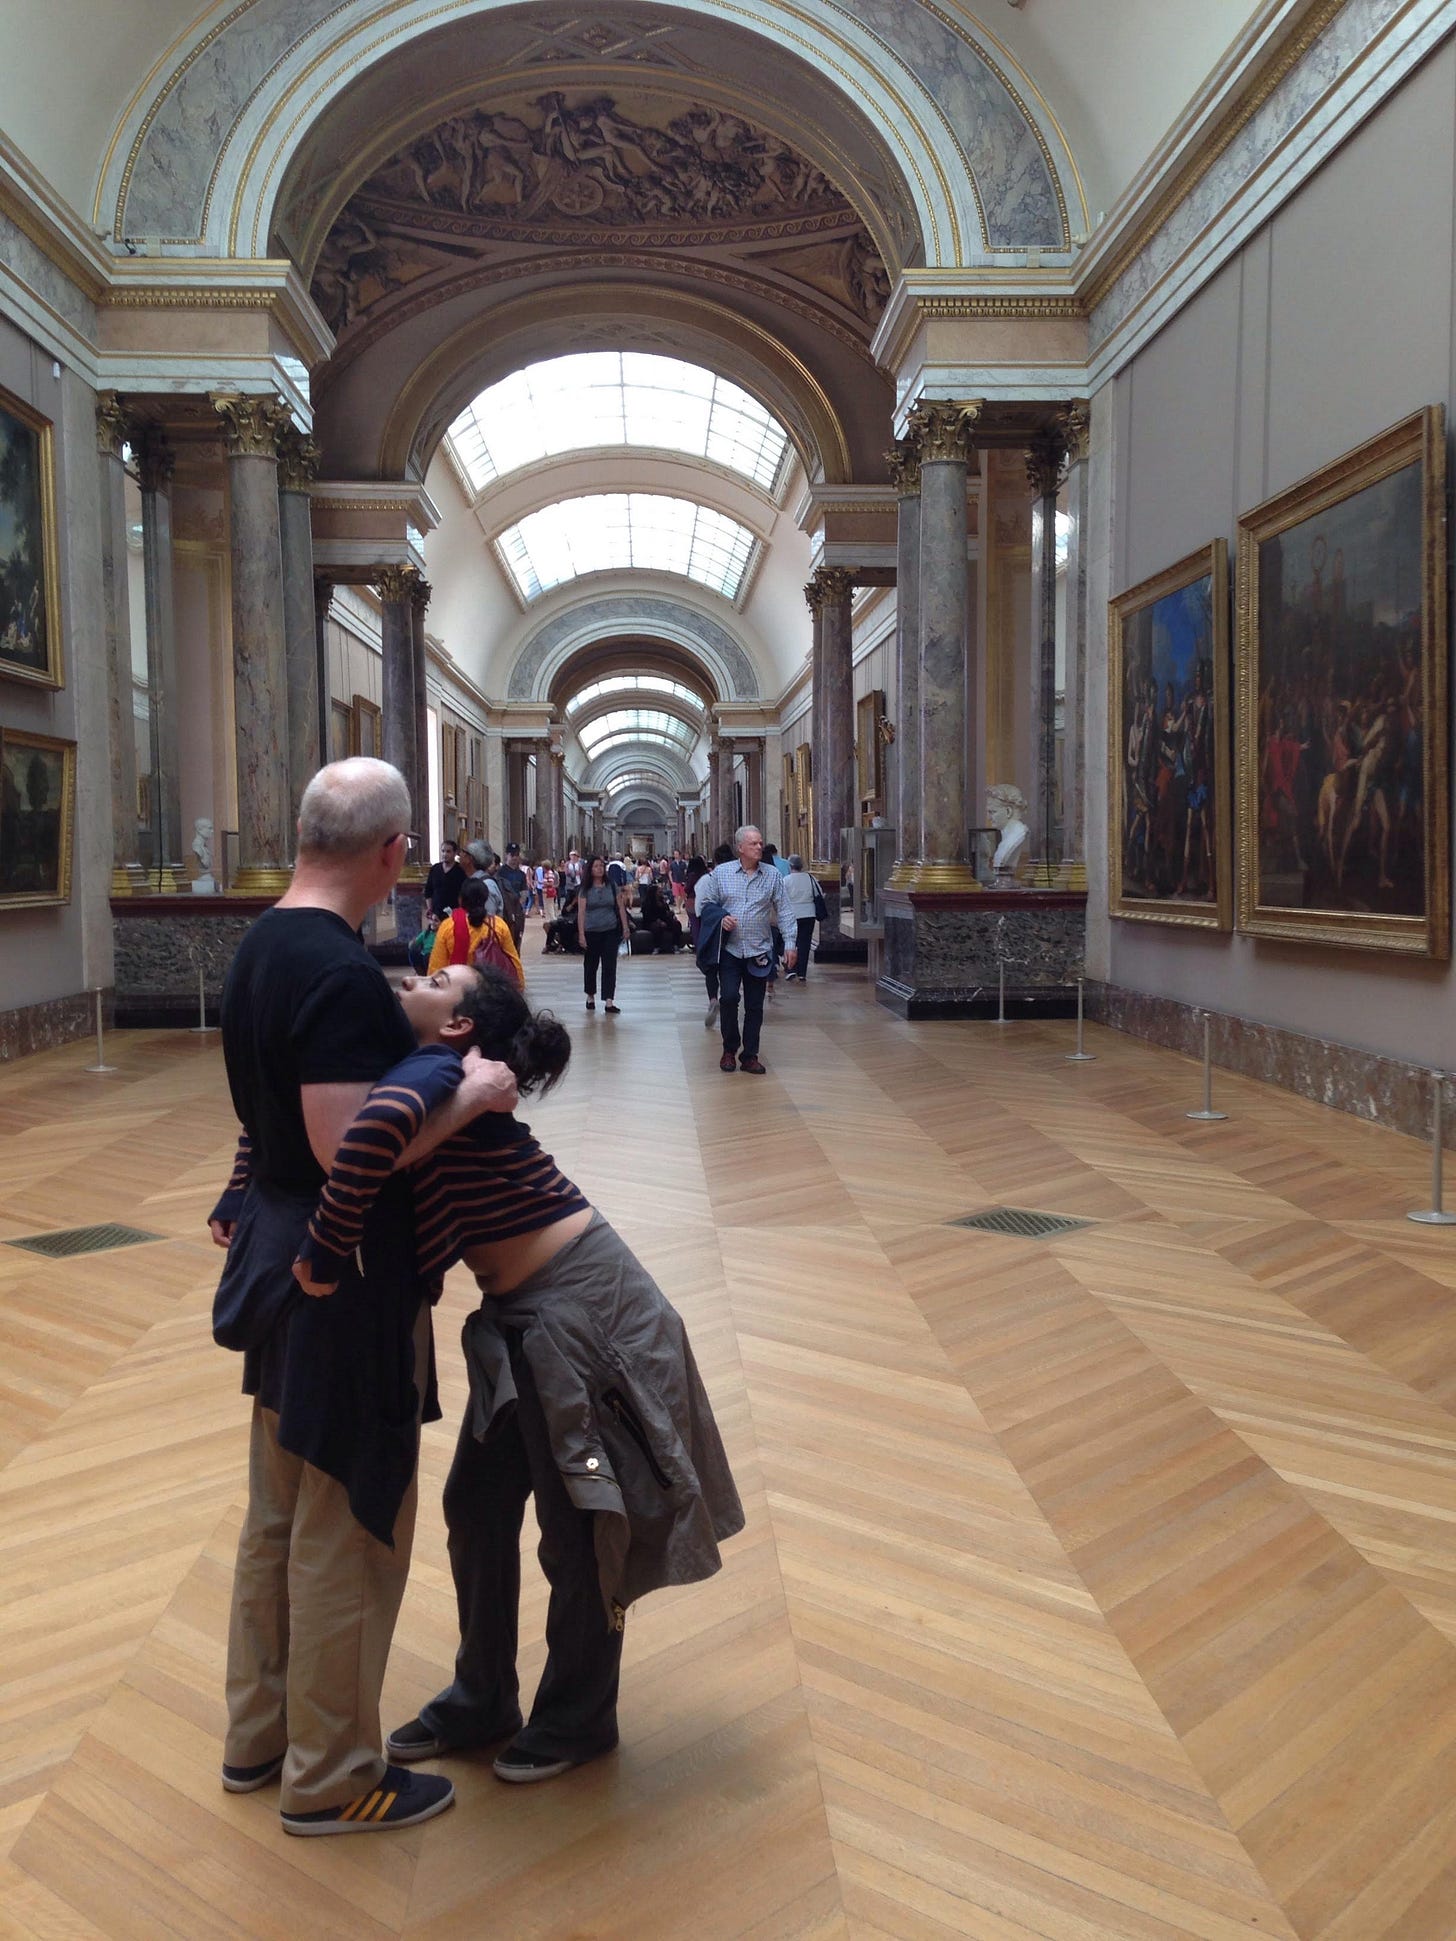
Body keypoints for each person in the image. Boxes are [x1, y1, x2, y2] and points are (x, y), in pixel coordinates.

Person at [292, 964, 744, 1786]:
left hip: (583, 1310)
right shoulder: (441, 1080)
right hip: (524, 1318)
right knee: (478, 1500)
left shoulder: (448, 1079)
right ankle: (483, 1694)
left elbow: (379, 1168)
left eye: (432, 977)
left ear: (458, 1026)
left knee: (580, 1526)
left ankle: (578, 1717)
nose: (408, 975)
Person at [206, 756, 518, 1836]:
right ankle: (334, 1775)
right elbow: (357, 1155)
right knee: (349, 1522)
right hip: (339, 1284)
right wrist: (471, 1098)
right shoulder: (336, 972)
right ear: (392, 854)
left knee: (279, 1514)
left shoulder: (261, 943)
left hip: (278, 1258)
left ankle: (259, 1736)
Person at [694, 825, 797, 1075]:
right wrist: (721, 918)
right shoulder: (722, 874)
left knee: (755, 1005)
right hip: (730, 950)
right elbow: (706, 905)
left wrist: (791, 943)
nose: (759, 847)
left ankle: (750, 1055)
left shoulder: (771, 875)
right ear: (740, 848)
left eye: (761, 843)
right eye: (754, 844)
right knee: (728, 998)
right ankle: (729, 1049)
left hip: (758, 950)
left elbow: (783, 910)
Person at [428, 872, 525, 986]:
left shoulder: (448, 926)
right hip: (490, 991)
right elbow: (513, 960)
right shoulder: (498, 925)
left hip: (457, 992)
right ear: (485, 899)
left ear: (460, 899)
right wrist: (520, 986)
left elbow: (436, 966)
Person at [577, 853, 630, 1012]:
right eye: (596, 866)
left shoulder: (612, 885)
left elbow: (620, 907)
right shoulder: (585, 888)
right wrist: (581, 934)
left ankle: (609, 1000)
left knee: (609, 965)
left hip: (610, 930)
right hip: (591, 930)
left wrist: (625, 927)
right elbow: (581, 912)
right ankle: (590, 995)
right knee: (591, 965)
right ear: (590, 869)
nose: (599, 869)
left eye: (601, 866)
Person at [686, 844, 728, 1027]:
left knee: (711, 966)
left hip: (710, 929)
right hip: (733, 928)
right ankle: (728, 999)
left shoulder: (705, 880)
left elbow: (698, 910)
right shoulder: (738, 879)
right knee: (729, 966)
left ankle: (712, 998)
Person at [781, 854, 818, 981]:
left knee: (791, 941)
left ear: (790, 866)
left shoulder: (786, 880)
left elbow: (781, 898)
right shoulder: (810, 878)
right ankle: (802, 972)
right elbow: (819, 894)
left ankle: (791, 968)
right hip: (809, 914)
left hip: (792, 914)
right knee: (805, 943)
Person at [423, 838, 463, 921]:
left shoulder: (460, 870)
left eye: (448, 851)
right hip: (436, 913)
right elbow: (428, 890)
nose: (445, 854)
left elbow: (463, 893)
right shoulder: (435, 869)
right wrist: (430, 908)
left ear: (455, 853)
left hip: (453, 913)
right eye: (443, 851)